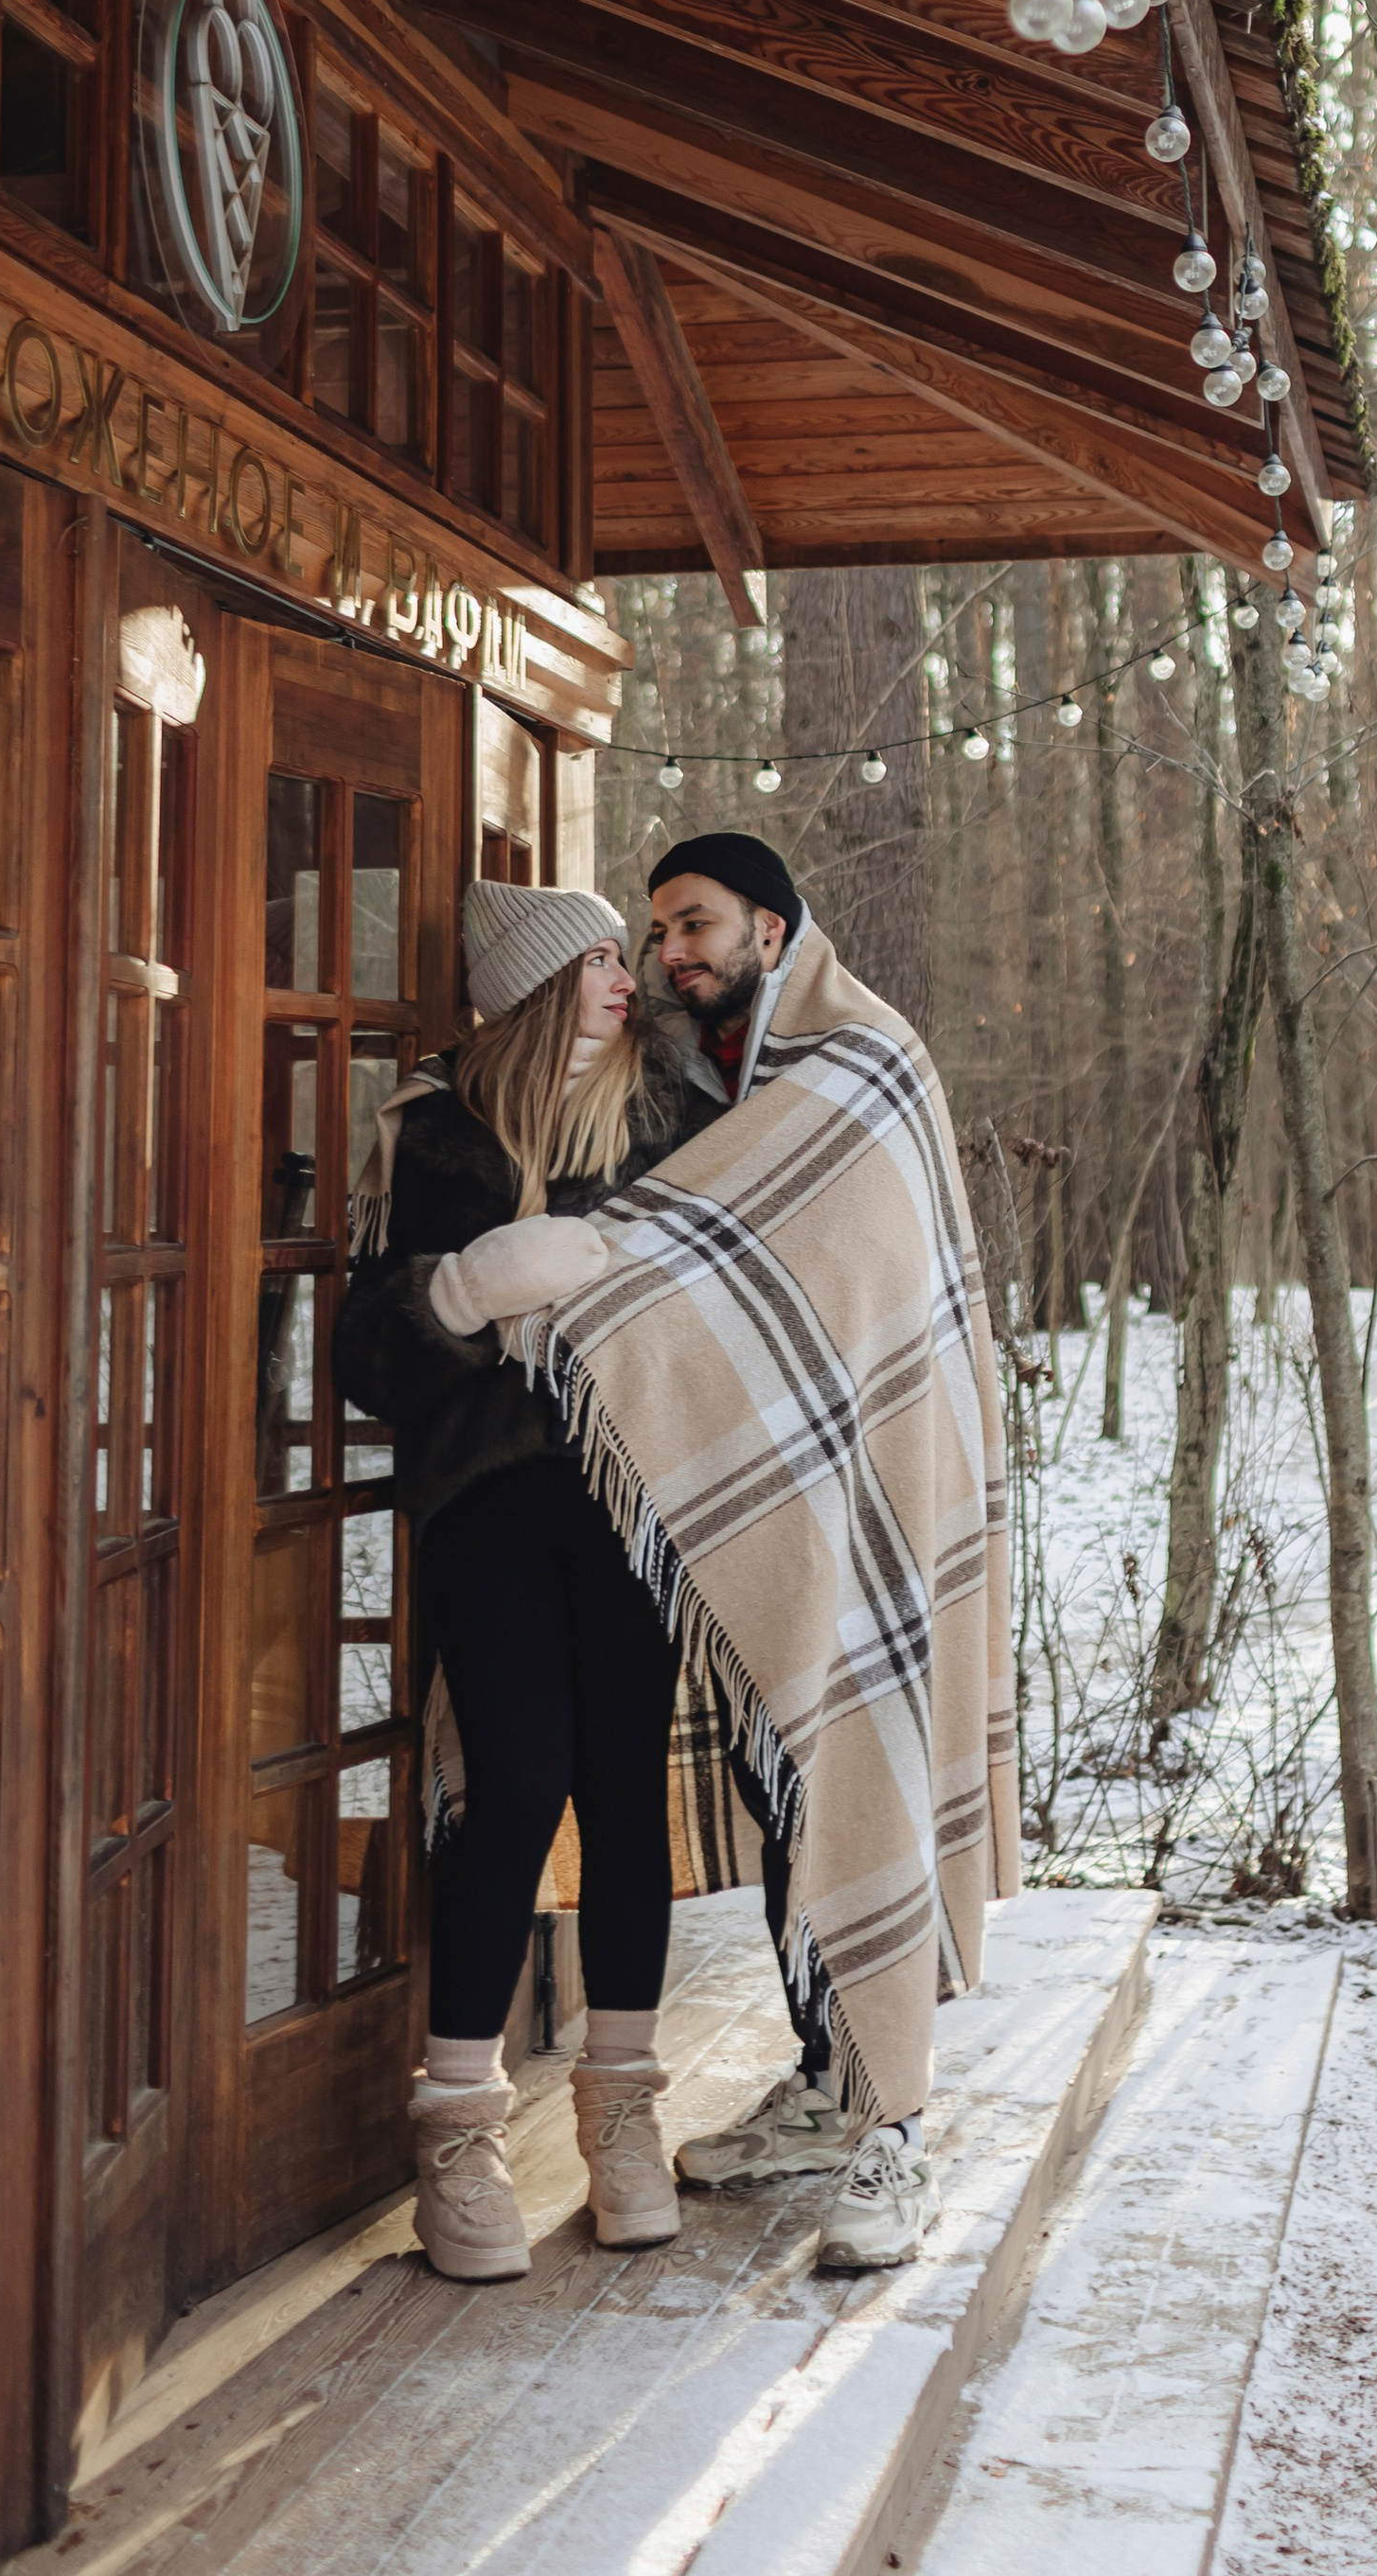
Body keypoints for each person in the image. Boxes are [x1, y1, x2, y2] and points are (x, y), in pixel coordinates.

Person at [429, 831, 1018, 2280]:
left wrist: (584, 1274)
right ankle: (811, 2086)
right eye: (647, 938)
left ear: (773, 923)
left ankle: (868, 2120)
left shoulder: (828, 1077)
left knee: (816, 1774)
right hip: (657, 1505)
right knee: (728, 1780)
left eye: (689, 928)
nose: (664, 961)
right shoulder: (673, 1091)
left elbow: (806, 1279)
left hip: (823, 1490)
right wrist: (471, 1290)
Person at [333, 881, 702, 2282]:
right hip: (489, 1507)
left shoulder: (674, 1117)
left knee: (623, 1799)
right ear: (542, 989)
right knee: (513, 1789)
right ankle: (458, 2134)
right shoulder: (434, 1135)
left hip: (634, 1502)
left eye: (625, 956)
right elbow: (364, 1360)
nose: (627, 979)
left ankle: (623, 2115)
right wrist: (462, 1293)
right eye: (599, 959)